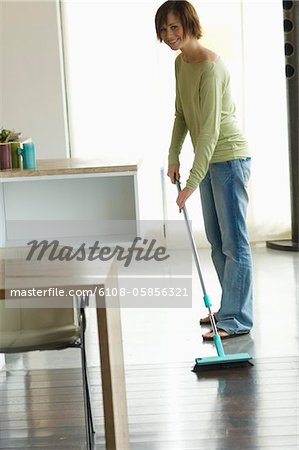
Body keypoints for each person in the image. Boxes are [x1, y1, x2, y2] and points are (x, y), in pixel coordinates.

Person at [155, 0, 253, 340]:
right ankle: (228, 309)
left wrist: (190, 184)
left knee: (234, 244)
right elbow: (181, 115)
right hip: (208, 161)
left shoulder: (210, 68)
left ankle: (236, 319)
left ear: (188, 23)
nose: (168, 35)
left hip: (228, 159)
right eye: (163, 29)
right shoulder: (182, 64)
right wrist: (172, 157)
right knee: (215, 241)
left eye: (173, 27)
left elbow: (210, 131)